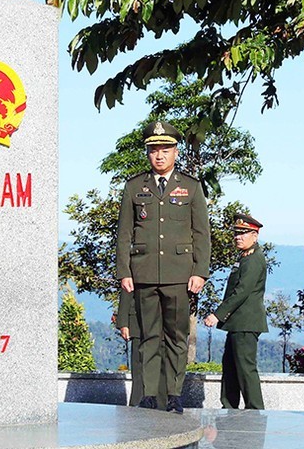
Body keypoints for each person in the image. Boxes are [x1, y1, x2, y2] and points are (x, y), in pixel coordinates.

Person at [115, 120, 211, 413]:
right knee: (149, 338)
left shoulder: (191, 187)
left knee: (176, 336)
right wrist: (124, 271)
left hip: (179, 275)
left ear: (176, 152)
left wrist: (200, 271)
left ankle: (173, 393)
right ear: (148, 153)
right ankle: (149, 395)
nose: (159, 155)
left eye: (165, 150)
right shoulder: (134, 187)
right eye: (154, 150)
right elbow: (123, 233)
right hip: (144, 273)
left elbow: (201, 233)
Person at [204, 213, 268, 410]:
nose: (238, 237)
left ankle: (255, 409)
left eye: (244, 233)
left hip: (246, 322)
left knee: (245, 368)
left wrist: (217, 314)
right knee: (231, 367)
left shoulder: (254, 259)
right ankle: (229, 407)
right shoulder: (244, 257)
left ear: (255, 236)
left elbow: (241, 292)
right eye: (236, 234)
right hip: (237, 323)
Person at [115, 288, 166, 407]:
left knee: (165, 371)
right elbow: (126, 285)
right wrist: (123, 321)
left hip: (166, 321)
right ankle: (137, 412)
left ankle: (162, 411)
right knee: (139, 373)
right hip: (139, 322)